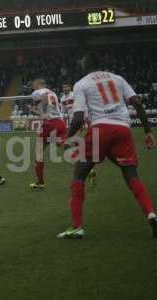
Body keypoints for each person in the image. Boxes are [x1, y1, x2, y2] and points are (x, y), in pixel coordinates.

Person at [58, 52, 157, 239]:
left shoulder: (82, 83)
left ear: (85, 65)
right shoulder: (118, 78)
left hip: (100, 130)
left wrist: (68, 137)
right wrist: (148, 131)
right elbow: (137, 103)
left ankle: (77, 227)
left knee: (78, 176)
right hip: (123, 129)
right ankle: (151, 213)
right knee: (131, 175)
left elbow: (78, 117)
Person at [29, 79, 66, 190]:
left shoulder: (37, 93)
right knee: (65, 147)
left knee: (38, 153)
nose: (33, 87)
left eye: (34, 85)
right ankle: (87, 169)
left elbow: (44, 99)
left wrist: (34, 108)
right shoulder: (53, 93)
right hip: (60, 123)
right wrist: (37, 110)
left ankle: (40, 182)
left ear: (38, 84)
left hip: (49, 124)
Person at [61, 82, 97, 186]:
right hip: (73, 123)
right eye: (63, 87)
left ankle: (87, 170)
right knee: (77, 146)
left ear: (70, 87)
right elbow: (64, 112)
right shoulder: (62, 99)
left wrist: (85, 119)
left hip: (80, 121)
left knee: (73, 145)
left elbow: (83, 106)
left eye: (66, 86)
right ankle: (89, 170)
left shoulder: (75, 95)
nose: (65, 88)